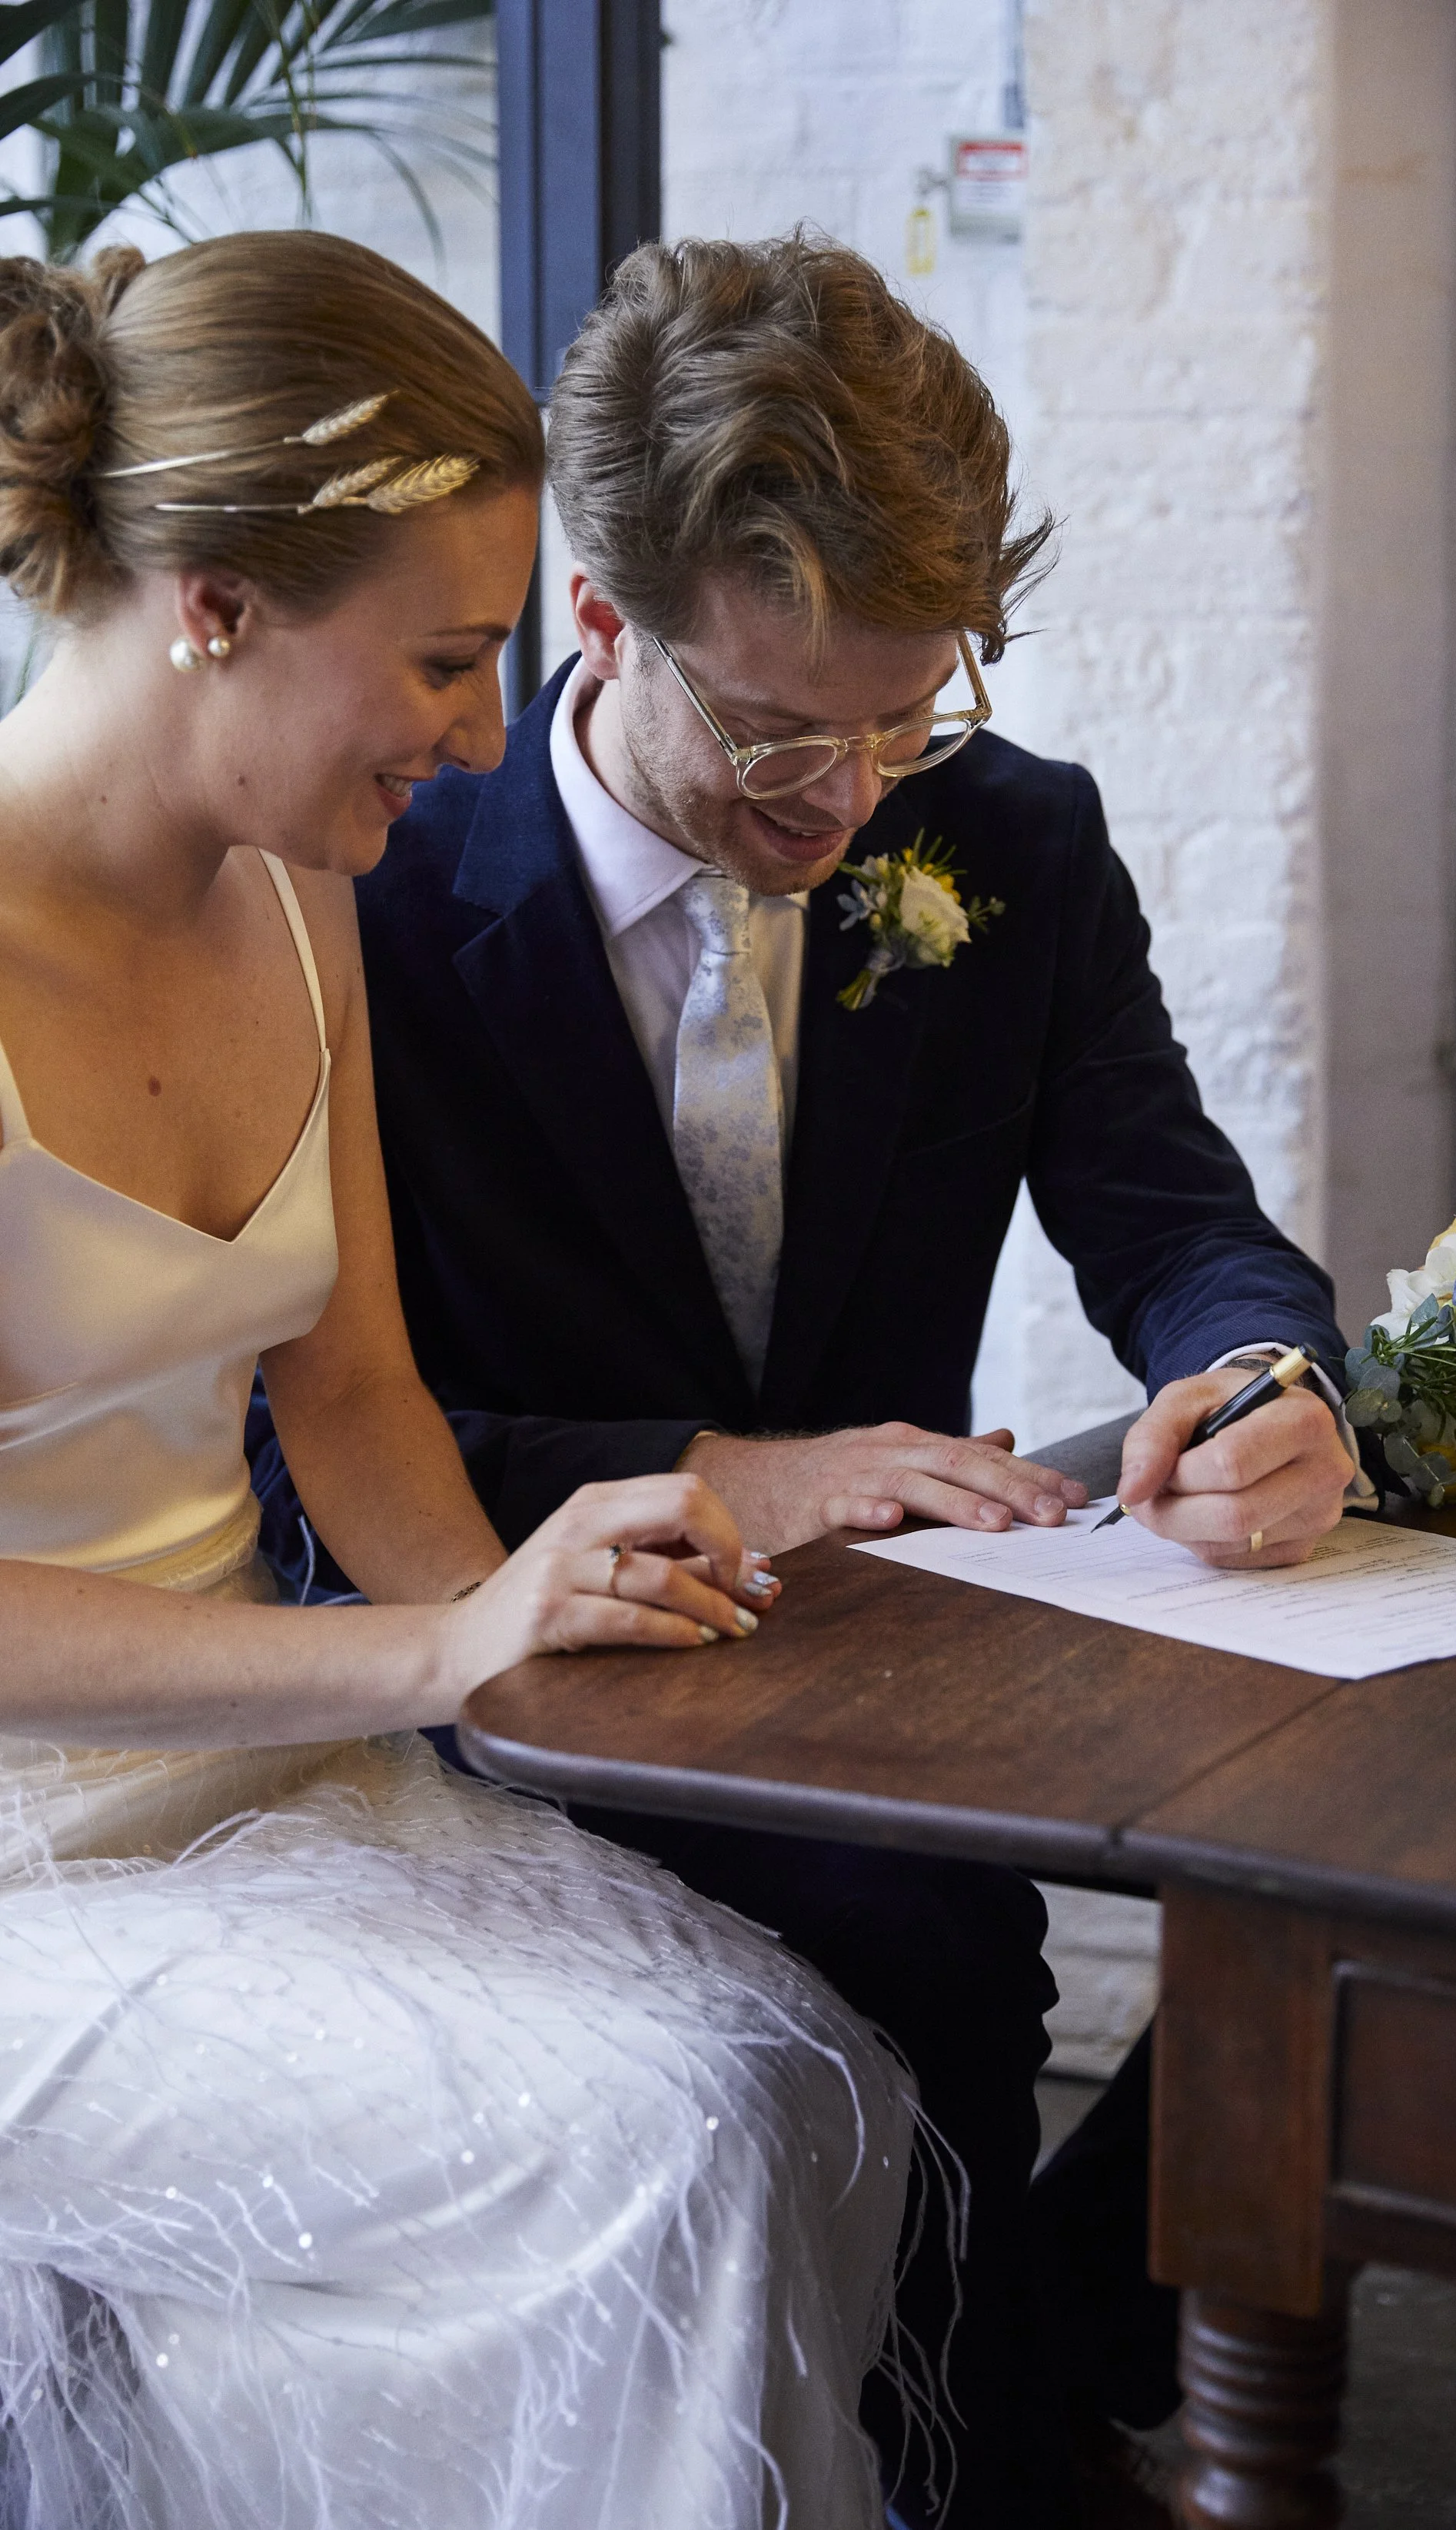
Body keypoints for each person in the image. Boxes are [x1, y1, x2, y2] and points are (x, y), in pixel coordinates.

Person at [253, 234, 1362, 2530]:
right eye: (772, 729)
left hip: (886, 1671)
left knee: (1333, 1890)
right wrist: (721, 1474)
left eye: (903, 716)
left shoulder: (1012, 842)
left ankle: (1027, 2390)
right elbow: (306, 1434)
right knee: (930, 1945)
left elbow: (1171, 1212)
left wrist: (1257, 1372)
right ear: (599, 621)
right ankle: (1018, 2460)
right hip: (522, 1648)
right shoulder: (366, 880)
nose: (847, 793)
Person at [0, 232, 919, 2530]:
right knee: (648, 2131)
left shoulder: (302, 902)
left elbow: (363, 1409)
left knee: (803, 2071)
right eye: (442, 658)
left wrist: (563, 1666)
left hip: (286, 1790)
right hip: (30, 1870)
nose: (496, 737)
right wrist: (438, 1646)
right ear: (211, 599)